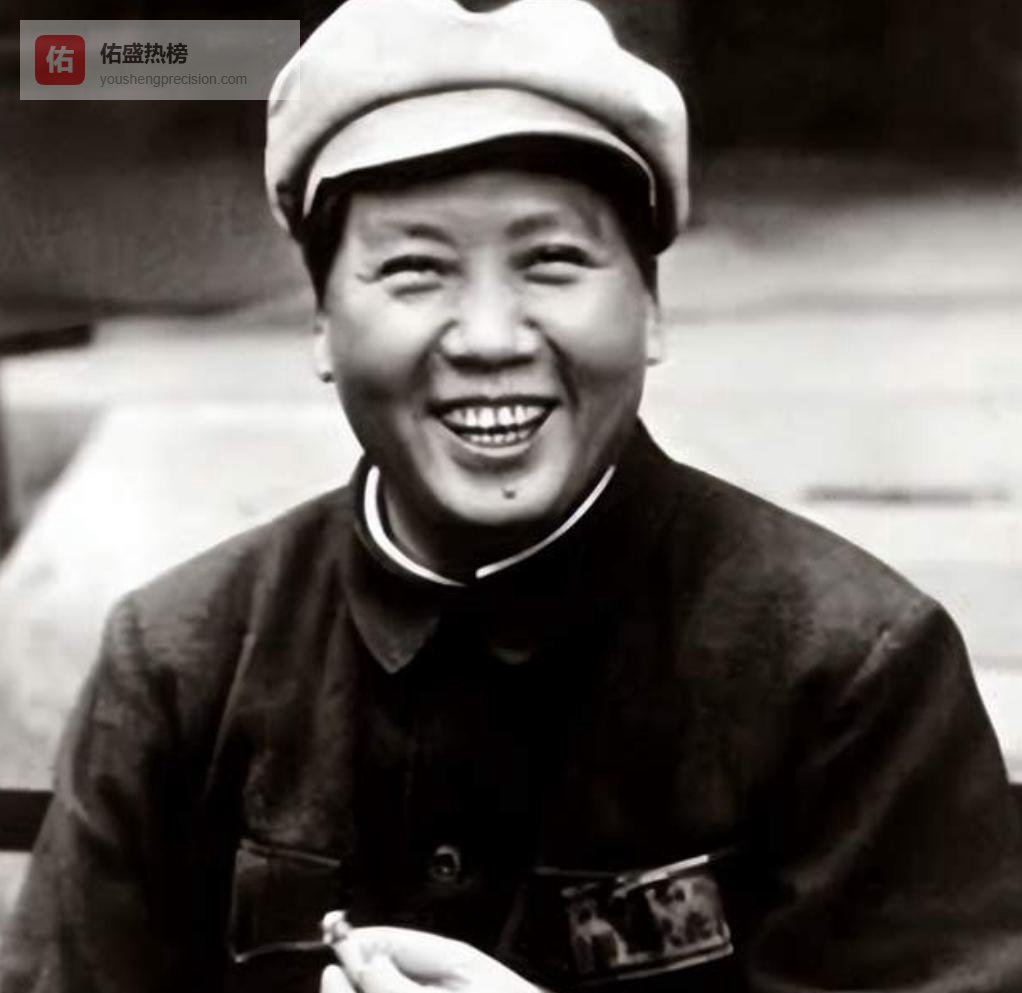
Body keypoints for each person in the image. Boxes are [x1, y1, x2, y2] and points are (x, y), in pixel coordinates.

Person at [3, 0, 1021, 991]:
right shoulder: (182, 664)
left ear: (651, 310)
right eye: (415, 270)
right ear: (318, 325)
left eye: (552, 261)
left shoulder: (846, 672)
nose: (490, 337)